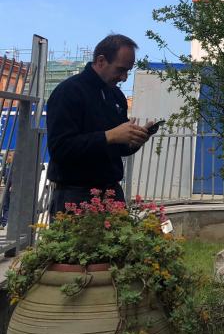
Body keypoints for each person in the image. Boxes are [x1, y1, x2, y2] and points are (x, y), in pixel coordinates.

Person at [46, 34, 151, 215]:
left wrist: (133, 140)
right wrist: (109, 136)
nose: (124, 77)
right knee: (77, 245)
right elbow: (60, 149)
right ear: (101, 61)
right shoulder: (69, 92)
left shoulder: (116, 96)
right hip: (76, 196)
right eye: (120, 70)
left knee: (119, 244)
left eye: (128, 71)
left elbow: (117, 148)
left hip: (111, 193)